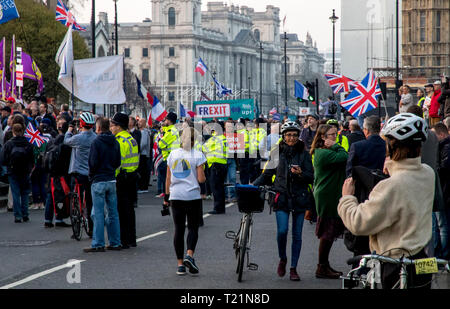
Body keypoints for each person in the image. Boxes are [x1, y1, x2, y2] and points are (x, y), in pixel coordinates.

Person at [338, 113, 434, 289]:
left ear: (391, 145)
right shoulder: (428, 173)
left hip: (397, 263)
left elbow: (359, 223)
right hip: (422, 259)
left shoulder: (391, 186)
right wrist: (394, 167)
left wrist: (347, 198)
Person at [254, 121, 314, 281]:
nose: (292, 138)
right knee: (282, 231)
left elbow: (311, 177)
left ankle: (293, 268)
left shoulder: (304, 154)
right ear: (283, 136)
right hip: (281, 197)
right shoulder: (277, 152)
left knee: (297, 235)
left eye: (294, 135)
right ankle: (283, 258)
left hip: (300, 197)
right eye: (288, 135)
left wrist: (301, 173)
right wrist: (251, 186)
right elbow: (266, 174)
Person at [164, 127, 207, 275]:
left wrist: (166, 196)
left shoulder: (173, 154)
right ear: (195, 140)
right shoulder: (198, 155)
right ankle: (190, 255)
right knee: (193, 228)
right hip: (192, 196)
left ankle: (180, 265)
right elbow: (201, 179)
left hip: (175, 195)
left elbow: (168, 178)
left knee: (178, 229)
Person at [310, 124, 348, 279]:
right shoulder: (322, 153)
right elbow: (345, 156)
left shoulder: (326, 151)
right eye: (332, 135)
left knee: (330, 232)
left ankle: (324, 265)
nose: (335, 137)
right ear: (323, 138)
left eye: (335, 134)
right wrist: (337, 145)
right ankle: (321, 267)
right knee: (327, 232)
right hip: (327, 195)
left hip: (330, 193)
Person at [84, 117, 122, 253]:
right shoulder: (115, 142)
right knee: (113, 213)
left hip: (99, 179)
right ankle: (115, 242)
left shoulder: (96, 142)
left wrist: (91, 175)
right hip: (111, 179)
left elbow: (92, 163)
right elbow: (118, 161)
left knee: (98, 213)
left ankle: (98, 243)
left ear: (98, 128)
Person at [64, 112, 97, 236]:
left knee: (76, 194)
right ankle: (91, 226)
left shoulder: (78, 138)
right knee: (90, 200)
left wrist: (69, 130)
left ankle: (76, 215)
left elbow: (66, 141)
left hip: (78, 172)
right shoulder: (95, 138)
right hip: (90, 173)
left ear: (81, 124)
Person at [110, 112, 139, 249]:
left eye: (112, 125)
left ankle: (124, 239)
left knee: (121, 210)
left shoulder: (120, 141)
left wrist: (112, 176)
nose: (111, 128)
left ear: (119, 126)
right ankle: (131, 238)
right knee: (130, 210)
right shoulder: (131, 138)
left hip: (122, 178)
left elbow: (117, 162)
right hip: (132, 176)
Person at [0, 123, 34, 223]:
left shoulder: (9, 144)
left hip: (13, 170)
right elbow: (32, 158)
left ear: (13, 132)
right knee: (25, 193)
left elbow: (3, 159)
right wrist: (30, 167)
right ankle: (25, 214)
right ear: (22, 131)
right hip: (25, 170)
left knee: (15, 193)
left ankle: (17, 215)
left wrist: (8, 166)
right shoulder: (28, 143)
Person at [43, 117, 72, 228]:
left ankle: (48, 219)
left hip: (51, 173)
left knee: (51, 195)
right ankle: (59, 218)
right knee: (61, 196)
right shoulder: (67, 143)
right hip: (62, 174)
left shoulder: (52, 141)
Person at [433, 123, 450, 259]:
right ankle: (438, 253)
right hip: (440, 192)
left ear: (442, 134)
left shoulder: (446, 148)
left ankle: (443, 255)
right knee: (438, 225)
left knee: (442, 225)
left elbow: (443, 169)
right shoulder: (440, 147)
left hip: (443, 192)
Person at [203, 121, 228, 214]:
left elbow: (204, 148)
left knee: (215, 187)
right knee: (220, 187)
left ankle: (217, 208)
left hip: (216, 165)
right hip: (222, 165)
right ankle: (221, 208)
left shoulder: (215, 139)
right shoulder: (223, 138)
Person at [157, 112, 180, 198]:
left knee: (167, 178)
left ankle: (168, 194)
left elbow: (161, 144)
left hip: (169, 158)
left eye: (166, 119)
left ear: (169, 120)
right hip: (171, 157)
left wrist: (161, 137)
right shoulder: (172, 130)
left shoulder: (171, 131)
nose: (164, 121)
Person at [137, 118, 151, 193]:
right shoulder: (142, 131)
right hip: (143, 154)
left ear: (144, 123)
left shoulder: (144, 132)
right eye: (138, 122)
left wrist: (137, 149)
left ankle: (142, 187)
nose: (139, 123)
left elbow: (143, 143)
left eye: (141, 122)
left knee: (142, 171)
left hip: (143, 154)